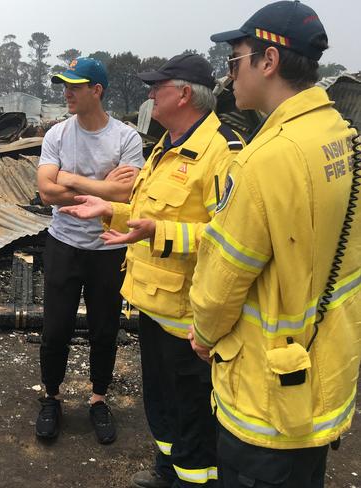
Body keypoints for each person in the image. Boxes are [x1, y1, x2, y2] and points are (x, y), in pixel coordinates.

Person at [187, 2, 361, 487]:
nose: (229, 76)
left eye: (235, 60)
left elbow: (223, 281)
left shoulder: (265, 159)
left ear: (269, 61)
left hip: (266, 400)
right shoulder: (342, 135)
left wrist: (203, 332)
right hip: (321, 375)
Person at [60, 54, 243, 487]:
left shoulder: (224, 153)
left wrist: (158, 231)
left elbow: (230, 239)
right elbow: (146, 214)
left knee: (192, 411)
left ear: (183, 94)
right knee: (161, 407)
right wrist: (111, 209)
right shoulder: (167, 144)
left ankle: (193, 481)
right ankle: (167, 472)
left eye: (156, 88)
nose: (149, 95)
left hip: (189, 317)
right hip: (152, 305)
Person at [35, 57, 144, 444]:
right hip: (64, 244)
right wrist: (102, 184)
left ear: (96, 91)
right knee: (56, 328)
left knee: (104, 329)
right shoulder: (57, 135)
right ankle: (51, 396)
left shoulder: (126, 138)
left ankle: (99, 398)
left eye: (75, 86)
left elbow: (128, 193)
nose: (67, 92)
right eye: (64, 85)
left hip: (108, 248)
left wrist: (71, 178)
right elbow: (46, 192)